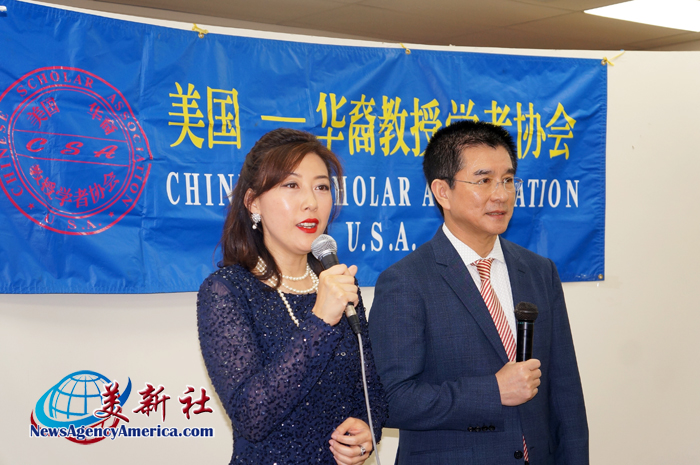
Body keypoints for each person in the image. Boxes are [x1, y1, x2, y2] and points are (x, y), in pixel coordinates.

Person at [369, 120, 588, 464]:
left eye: (508, 180)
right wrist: (493, 391)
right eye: (484, 180)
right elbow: (391, 400)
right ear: (442, 192)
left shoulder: (539, 271)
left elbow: (566, 394)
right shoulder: (405, 281)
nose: (501, 194)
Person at [197, 128, 387, 465]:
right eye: (291, 185)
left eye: (321, 187)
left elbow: (371, 391)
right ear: (253, 202)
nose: (311, 202)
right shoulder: (227, 291)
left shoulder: (340, 285)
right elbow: (252, 416)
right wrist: (321, 321)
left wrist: (368, 432)